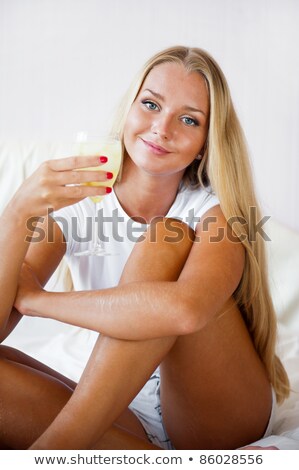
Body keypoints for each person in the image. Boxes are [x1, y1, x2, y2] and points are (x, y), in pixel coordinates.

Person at [0, 45, 290, 450]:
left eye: (188, 119)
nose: (162, 128)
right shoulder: (78, 201)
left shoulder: (214, 212)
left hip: (218, 413)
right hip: (124, 409)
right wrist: (16, 213)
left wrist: (34, 300)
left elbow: (184, 311)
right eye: (151, 105)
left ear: (205, 143)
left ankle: (53, 453)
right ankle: (138, 456)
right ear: (129, 110)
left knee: (162, 239)